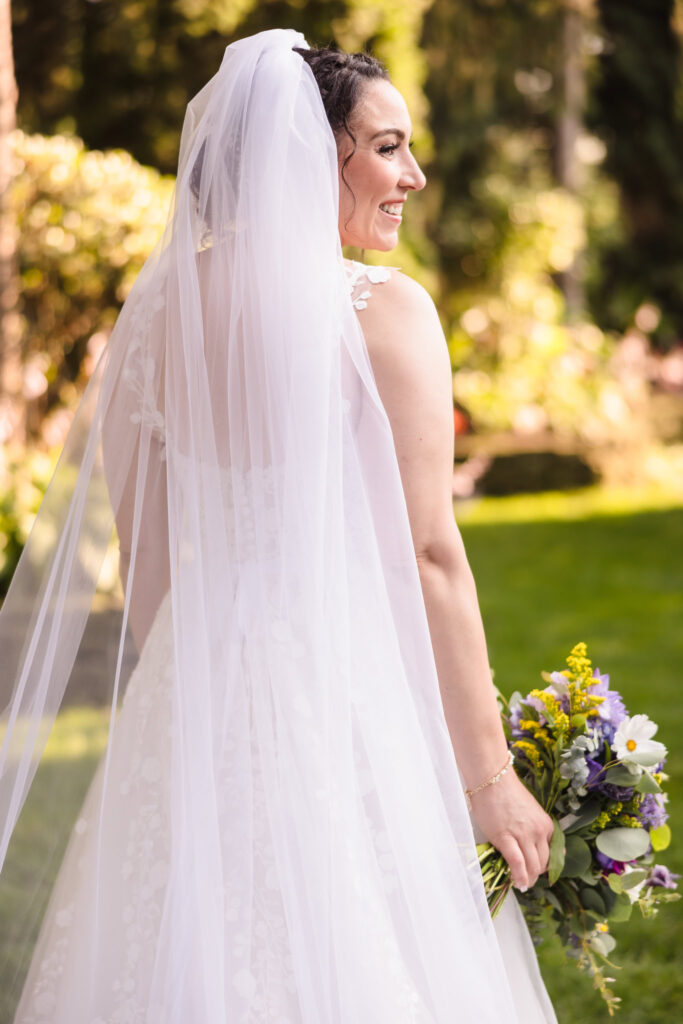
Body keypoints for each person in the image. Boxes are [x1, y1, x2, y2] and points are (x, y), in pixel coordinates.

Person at [0, 29, 556, 1022]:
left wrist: (192, 704)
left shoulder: (155, 314)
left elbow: (149, 559)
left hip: (189, 683)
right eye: (386, 147)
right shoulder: (384, 313)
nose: (412, 175)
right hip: (340, 682)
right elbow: (430, 557)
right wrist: (487, 775)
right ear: (310, 152)